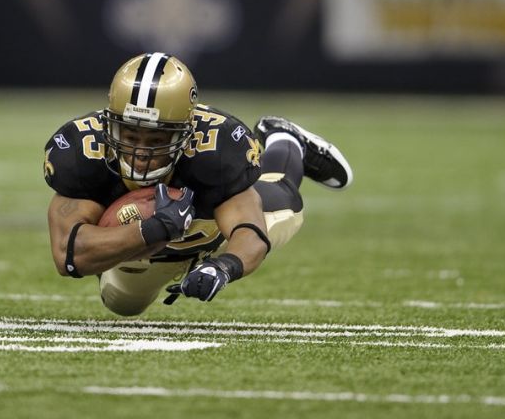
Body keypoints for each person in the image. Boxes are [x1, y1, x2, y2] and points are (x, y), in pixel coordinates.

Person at [43, 52, 352, 316]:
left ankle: (284, 141)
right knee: (123, 304)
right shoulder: (81, 150)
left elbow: (250, 234)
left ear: (186, 132)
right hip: (141, 245)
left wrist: (224, 267)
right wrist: (154, 229)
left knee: (287, 206)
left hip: (210, 229)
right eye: (130, 135)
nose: (141, 152)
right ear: (109, 124)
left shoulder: (217, 151)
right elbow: (67, 255)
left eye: (157, 138)